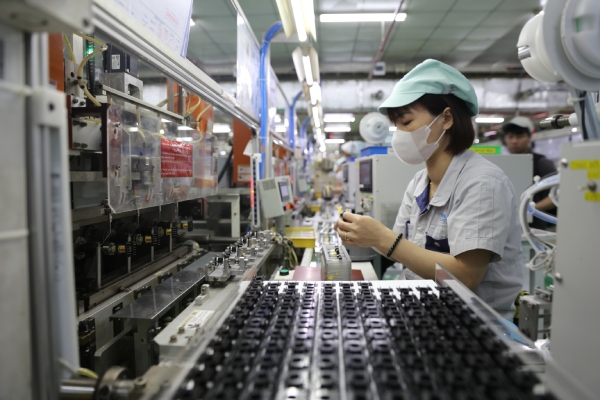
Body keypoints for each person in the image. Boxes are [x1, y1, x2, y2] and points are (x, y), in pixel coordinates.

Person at [334, 59, 523, 319]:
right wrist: (362, 235)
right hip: (424, 312)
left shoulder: (483, 183)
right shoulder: (420, 183)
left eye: (406, 122)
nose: (399, 135)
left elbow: (466, 276)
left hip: (472, 324)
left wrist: (381, 238)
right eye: (396, 126)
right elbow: (402, 250)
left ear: (446, 118)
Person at [502, 116, 557, 230]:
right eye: (510, 137)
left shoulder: (541, 163)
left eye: (520, 136)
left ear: (529, 137)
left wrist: (529, 208)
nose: (514, 141)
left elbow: (557, 194)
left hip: (538, 228)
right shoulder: (504, 164)